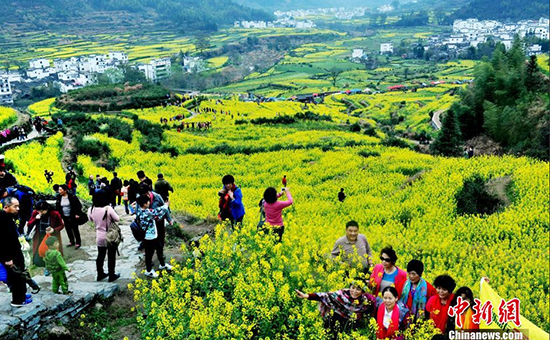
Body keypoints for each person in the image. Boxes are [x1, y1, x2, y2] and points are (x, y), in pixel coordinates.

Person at [296, 279, 376, 336]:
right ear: (350, 287)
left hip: (351, 327)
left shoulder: (365, 302)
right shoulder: (341, 295)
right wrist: (306, 296)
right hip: (334, 322)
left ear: (362, 291)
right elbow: (324, 296)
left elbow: (369, 313)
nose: (354, 291)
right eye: (353, 287)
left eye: (358, 289)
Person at [0, 197, 31, 307]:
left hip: (15, 252)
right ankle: (18, 301)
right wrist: (7, 259)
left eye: (18, 206)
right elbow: (2, 242)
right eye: (15, 206)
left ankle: (22, 295)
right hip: (10, 256)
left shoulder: (9, 217)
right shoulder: (2, 220)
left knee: (20, 274)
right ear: (6, 207)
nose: (18, 208)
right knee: (16, 277)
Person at [135, 195, 174, 278]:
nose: (149, 203)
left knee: (158, 249)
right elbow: (157, 212)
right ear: (145, 204)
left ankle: (162, 265)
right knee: (150, 253)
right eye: (148, 202)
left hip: (150, 236)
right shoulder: (146, 213)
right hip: (149, 237)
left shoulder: (140, 211)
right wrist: (166, 205)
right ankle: (149, 271)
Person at [88, 192, 120, 282]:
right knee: (111, 255)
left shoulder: (91, 209)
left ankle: (100, 273)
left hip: (99, 235)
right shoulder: (108, 209)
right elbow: (117, 218)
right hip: (110, 235)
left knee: (100, 255)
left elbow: (90, 219)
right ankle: (111, 275)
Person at [27, 201, 65, 270]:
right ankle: (46, 264)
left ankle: (51, 265)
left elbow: (61, 225)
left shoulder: (54, 214)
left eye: (42, 211)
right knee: (37, 261)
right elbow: (29, 224)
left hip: (51, 237)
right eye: (39, 211)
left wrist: (53, 230)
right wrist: (36, 219)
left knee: (53, 256)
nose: (40, 213)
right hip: (40, 236)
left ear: (47, 209)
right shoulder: (36, 213)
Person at [55, 184, 83, 249]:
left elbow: (78, 205)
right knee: (68, 228)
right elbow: (58, 206)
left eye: (60, 190)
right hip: (64, 216)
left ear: (65, 190)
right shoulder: (59, 197)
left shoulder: (72, 196)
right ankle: (71, 241)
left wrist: (77, 214)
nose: (59, 191)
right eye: (59, 190)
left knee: (75, 228)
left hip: (72, 215)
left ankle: (78, 242)